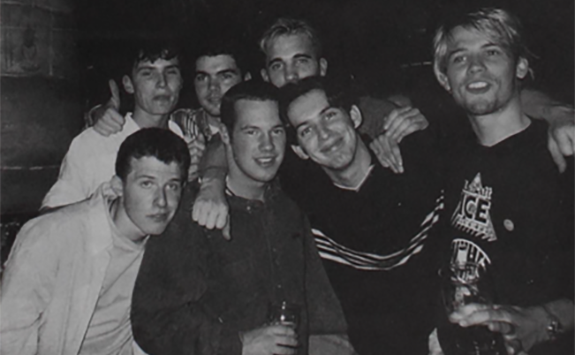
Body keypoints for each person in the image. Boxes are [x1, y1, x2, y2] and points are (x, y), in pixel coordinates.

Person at [131, 81, 354, 355]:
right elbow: (152, 321)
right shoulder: (194, 213)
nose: (268, 146)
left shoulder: (289, 208)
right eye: (252, 132)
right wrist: (238, 344)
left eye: (276, 131)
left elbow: (322, 317)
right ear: (225, 134)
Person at [431, 8, 573, 355]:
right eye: (460, 57)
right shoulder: (444, 155)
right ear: (445, 78)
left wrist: (545, 321)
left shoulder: (562, 155)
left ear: (520, 66)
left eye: (491, 52)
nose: (475, 67)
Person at [277, 76, 444, 354]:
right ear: (299, 150)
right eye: (306, 131)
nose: (325, 134)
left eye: (329, 115)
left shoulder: (417, 164)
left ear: (354, 116)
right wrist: (212, 176)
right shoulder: (304, 195)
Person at [0, 128, 191, 355]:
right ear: (118, 186)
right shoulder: (52, 236)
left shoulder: (169, 241)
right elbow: (9, 335)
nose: (161, 202)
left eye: (172, 186)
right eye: (146, 184)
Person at [41, 40, 186, 209]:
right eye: (148, 73)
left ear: (181, 81)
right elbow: (49, 215)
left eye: (171, 72)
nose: (162, 83)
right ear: (128, 84)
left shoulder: (186, 140)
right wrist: (107, 206)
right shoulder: (96, 143)